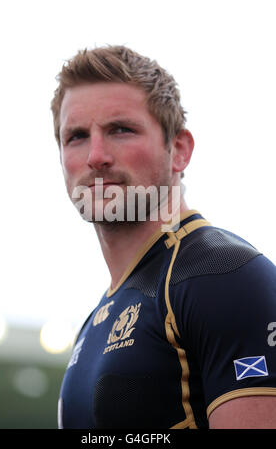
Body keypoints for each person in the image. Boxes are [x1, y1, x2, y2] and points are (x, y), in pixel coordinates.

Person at [51, 45, 276, 429]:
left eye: (120, 129)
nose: (96, 156)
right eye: (76, 136)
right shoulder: (94, 322)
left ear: (180, 150)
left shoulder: (225, 276)